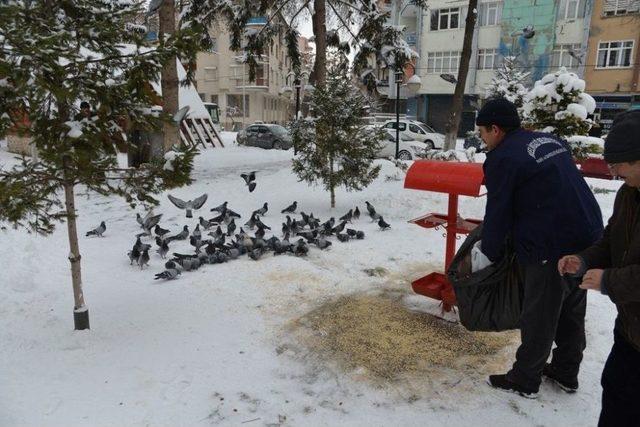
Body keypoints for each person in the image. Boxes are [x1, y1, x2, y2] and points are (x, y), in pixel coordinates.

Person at [477, 98, 604, 398]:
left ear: (496, 129)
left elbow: (498, 211)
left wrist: (489, 254)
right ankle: (565, 371)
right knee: (572, 306)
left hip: (552, 243)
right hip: (588, 233)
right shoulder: (546, 139)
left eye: (482, 131)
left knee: (541, 313)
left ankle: (525, 379)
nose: (481, 138)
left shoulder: (502, 157)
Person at [558, 110, 640, 426]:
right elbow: (611, 240)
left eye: (618, 163)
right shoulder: (628, 194)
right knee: (617, 393)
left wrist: (608, 281)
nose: (613, 170)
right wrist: (586, 260)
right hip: (630, 329)